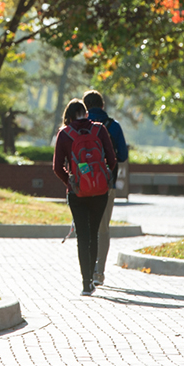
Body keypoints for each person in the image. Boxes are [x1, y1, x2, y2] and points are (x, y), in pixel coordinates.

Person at [53, 98, 118, 296]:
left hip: (77, 193)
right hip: (100, 192)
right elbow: (112, 160)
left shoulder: (64, 134)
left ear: (69, 116)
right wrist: (101, 178)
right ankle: (93, 275)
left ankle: (86, 283)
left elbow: (56, 168)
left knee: (83, 235)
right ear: (86, 113)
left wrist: (72, 182)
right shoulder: (99, 130)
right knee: (95, 233)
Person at [82, 90, 128, 288]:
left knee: (86, 228)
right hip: (106, 183)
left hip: (82, 185)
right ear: (102, 106)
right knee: (103, 228)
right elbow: (123, 156)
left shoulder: (78, 127)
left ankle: (86, 269)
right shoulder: (113, 126)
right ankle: (98, 272)